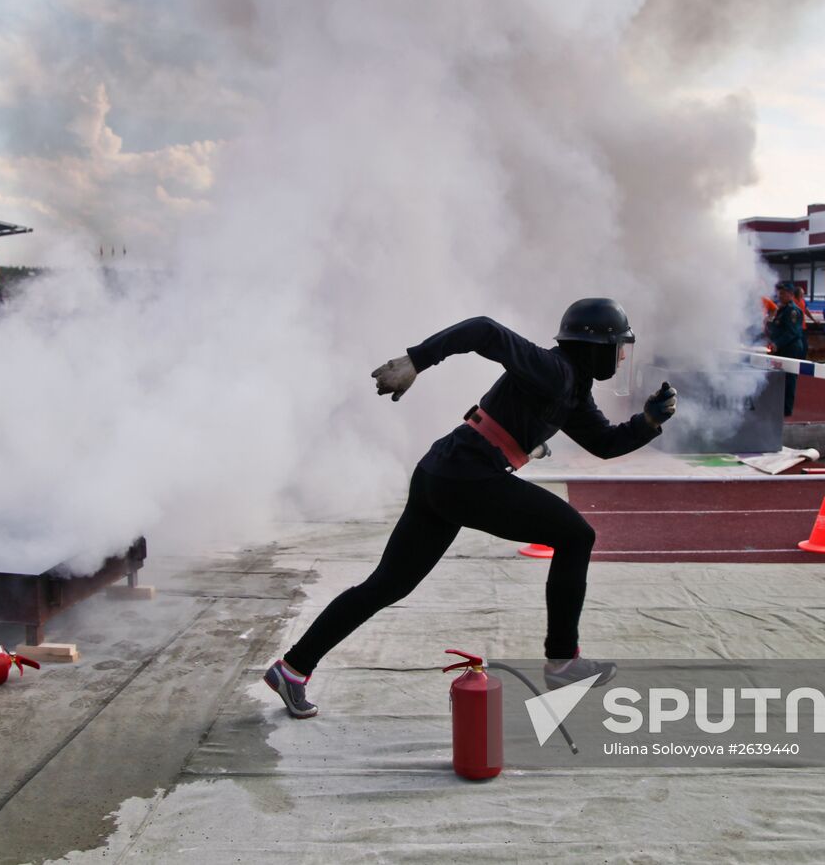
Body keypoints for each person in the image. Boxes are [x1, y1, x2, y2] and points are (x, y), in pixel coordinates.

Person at [262, 301, 677, 718]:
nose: (621, 357)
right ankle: (563, 661)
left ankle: (292, 669)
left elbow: (604, 443)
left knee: (387, 585)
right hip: (467, 476)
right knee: (576, 535)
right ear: (594, 346)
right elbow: (484, 330)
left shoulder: (572, 388)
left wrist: (647, 421)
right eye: (618, 348)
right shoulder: (555, 370)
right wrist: (415, 361)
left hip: (442, 473)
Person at [767, 282, 806, 417]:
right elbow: (776, 328)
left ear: (790, 294)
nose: (780, 296)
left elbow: (792, 332)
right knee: (778, 377)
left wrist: (777, 343)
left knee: (789, 378)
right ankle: (778, 405)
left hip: (791, 348)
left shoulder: (792, 311)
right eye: (779, 293)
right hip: (781, 347)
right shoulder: (781, 310)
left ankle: (786, 409)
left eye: (783, 293)